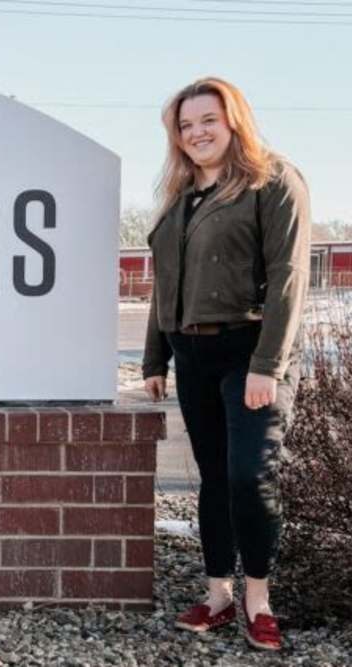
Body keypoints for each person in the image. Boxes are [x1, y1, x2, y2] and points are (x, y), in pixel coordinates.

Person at [142, 77, 310, 652]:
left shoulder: (272, 181)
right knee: (213, 480)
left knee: (248, 476)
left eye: (207, 120)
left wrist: (269, 364)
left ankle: (258, 601)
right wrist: (155, 357)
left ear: (234, 119)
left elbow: (289, 278)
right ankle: (217, 595)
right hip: (191, 354)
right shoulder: (181, 198)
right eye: (186, 126)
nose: (197, 134)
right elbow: (166, 283)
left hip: (249, 351)